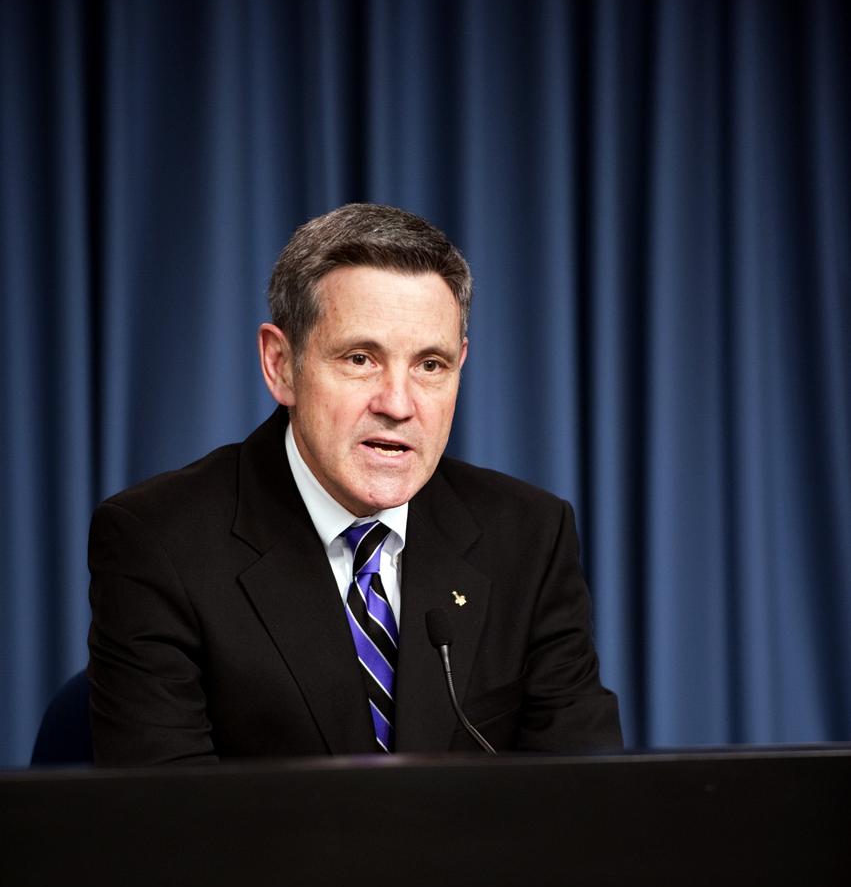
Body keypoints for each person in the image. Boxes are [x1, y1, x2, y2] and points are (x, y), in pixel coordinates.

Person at [88, 203, 621, 764]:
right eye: (360, 358)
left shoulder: (529, 536)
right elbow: (167, 824)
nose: (397, 404)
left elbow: (586, 798)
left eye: (431, 365)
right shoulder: (158, 542)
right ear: (281, 364)